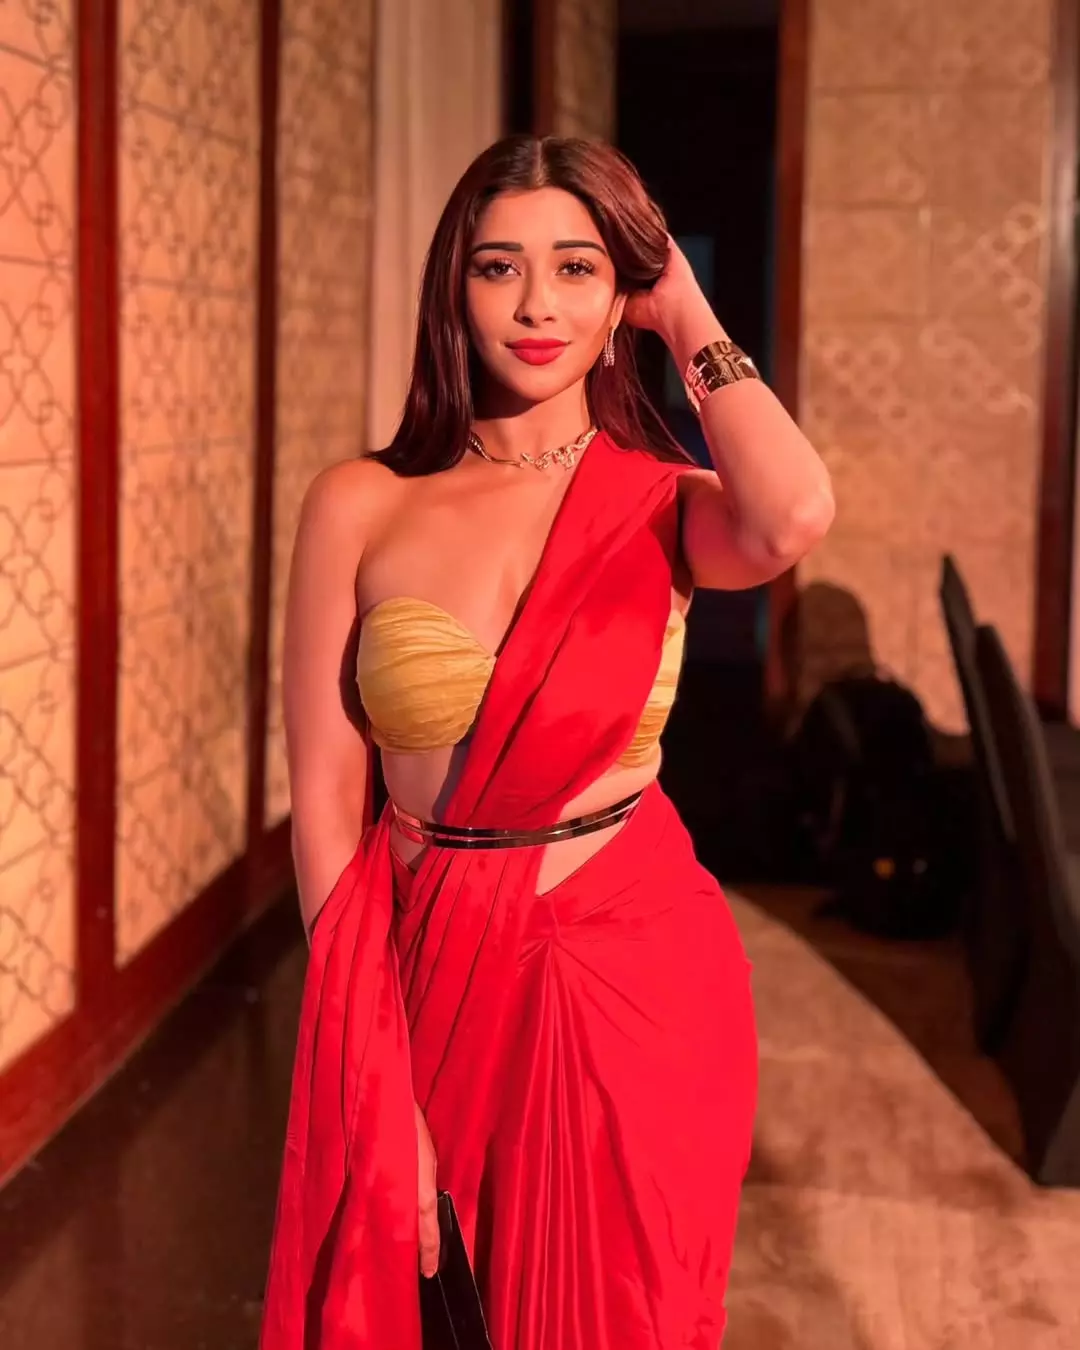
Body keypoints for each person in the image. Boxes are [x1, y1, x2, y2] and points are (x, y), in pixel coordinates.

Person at [260, 135, 833, 1350]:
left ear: (622, 295)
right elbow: (325, 812)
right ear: (453, 289)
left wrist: (687, 314)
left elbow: (791, 513)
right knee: (423, 1300)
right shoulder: (360, 502)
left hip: (636, 977)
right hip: (431, 963)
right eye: (498, 267)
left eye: (577, 268)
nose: (536, 305)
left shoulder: (666, 502)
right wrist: (371, 1072)